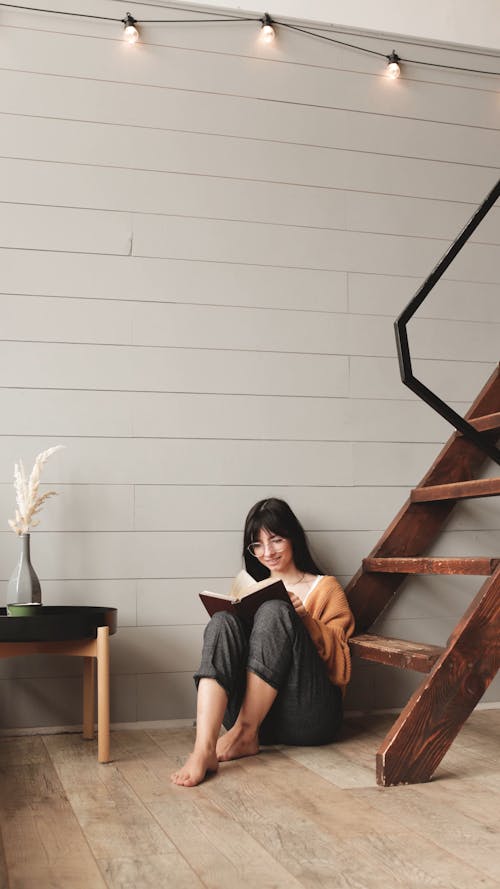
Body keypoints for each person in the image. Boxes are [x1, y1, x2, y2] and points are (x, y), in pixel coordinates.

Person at [171, 497, 355, 787]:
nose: (267, 552)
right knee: (222, 621)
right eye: (257, 544)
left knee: (274, 609)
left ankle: (245, 731)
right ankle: (204, 747)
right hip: (259, 720)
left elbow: (342, 666)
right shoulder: (247, 587)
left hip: (309, 716)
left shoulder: (325, 588)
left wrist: (304, 618)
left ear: (293, 538)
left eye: (276, 540)